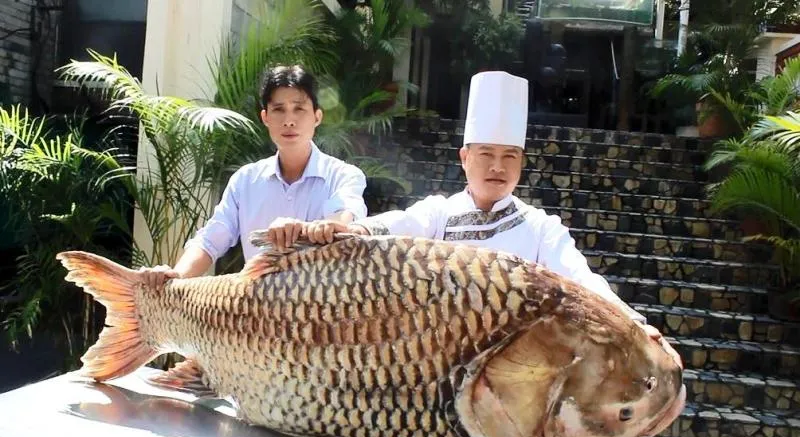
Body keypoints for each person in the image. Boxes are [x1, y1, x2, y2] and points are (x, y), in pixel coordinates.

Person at [274, 70, 682, 368]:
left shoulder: (541, 228)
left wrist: (633, 325)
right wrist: (350, 229)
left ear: (521, 163)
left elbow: (582, 280)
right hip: (432, 364)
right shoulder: (439, 212)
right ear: (465, 158)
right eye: (486, 154)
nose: (497, 167)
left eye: (509, 157)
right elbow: (397, 225)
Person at [138, 64, 368, 287]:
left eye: (299, 109)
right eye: (279, 109)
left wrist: (309, 229)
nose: (289, 120)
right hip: (254, 309)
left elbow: (344, 220)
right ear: (265, 117)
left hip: (319, 308)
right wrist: (176, 275)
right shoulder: (245, 181)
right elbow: (210, 240)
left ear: (317, 117)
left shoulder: (344, 175)